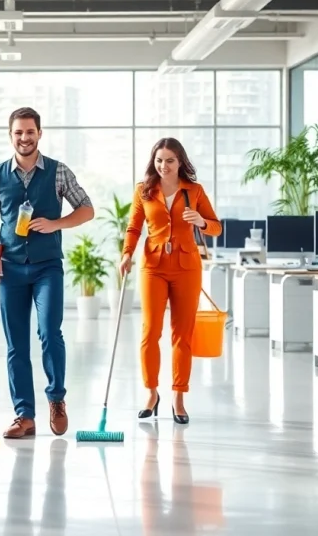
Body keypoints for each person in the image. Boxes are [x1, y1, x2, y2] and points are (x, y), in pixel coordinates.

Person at [0, 106, 94, 438]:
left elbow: (87, 209)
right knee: (16, 343)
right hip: (10, 268)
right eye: (19, 132)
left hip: (47, 267)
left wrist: (56, 223)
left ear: (39, 133)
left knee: (49, 332)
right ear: (10, 135)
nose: (25, 137)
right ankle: (24, 416)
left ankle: (57, 399)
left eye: (30, 131)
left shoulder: (59, 172)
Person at [119, 137, 222, 424]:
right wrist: (126, 254)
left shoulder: (195, 191)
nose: (164, 166)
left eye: (170, 160)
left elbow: (216, 227)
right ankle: (152, 393)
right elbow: (134, 227)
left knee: (182, 334)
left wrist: (200, 221)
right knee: (150, 332)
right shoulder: (144, 191)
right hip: (153, 266)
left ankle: (178, 396)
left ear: (180, 163)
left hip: (187, 267)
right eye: (159, 160)